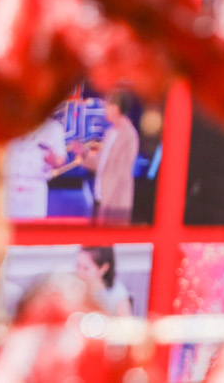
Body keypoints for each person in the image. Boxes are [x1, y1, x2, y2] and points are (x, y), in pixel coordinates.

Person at [89, 93, 140, 226]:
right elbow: (101, 164)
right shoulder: (110, 133)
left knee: (110, 237)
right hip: (101, 196)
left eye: (107, 106)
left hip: (115, 201)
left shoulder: (129, 135)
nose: (104, 110)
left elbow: (120, 172)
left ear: (116, 108)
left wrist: (106, 202)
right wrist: (83, 154)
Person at [4, 117, 69, 220]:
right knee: (4, 226)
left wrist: (53, 160)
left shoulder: (53, 127)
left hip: (35, 187)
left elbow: (60, 159)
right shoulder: (4, 123)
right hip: (7, 184)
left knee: (33, 226)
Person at [75, 245, 133, 316]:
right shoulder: (75, 292)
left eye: (86, 268)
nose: (80, 272)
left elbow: (126, 320)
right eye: (78, 266)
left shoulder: (117, 292)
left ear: (104, 268)